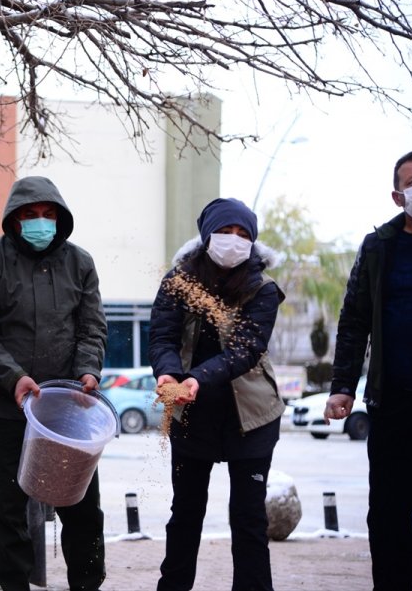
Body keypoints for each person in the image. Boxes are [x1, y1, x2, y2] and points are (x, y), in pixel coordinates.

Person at [0, 176, 108, 591]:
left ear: (60, 219)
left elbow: (92, 327)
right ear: (14, 219)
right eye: (30, 215)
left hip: (66, 411)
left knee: (82, 509)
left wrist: (88, 371)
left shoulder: (80, 263)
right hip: (4, 406)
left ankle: (87, 585)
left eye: (48, 214)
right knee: (6, 509)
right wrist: (14, 377)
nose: (40, 222)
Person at [148, 197, 285, 591]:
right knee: (186, 513)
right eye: (225, 231)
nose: (233, 240)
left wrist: (197, 379)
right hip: (191, 415)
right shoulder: (179, 281)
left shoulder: (263, 288)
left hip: (252, 416)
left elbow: (246, 349)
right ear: (208, 235)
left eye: (243, 234)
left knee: (249, 519)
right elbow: (162, 336)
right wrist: (168, 373)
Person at [324, 149, 412, 591]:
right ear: (398, 196)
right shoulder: (379, 246)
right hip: (394, 402)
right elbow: (354, 320)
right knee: (388, 514)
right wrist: (342, 385)